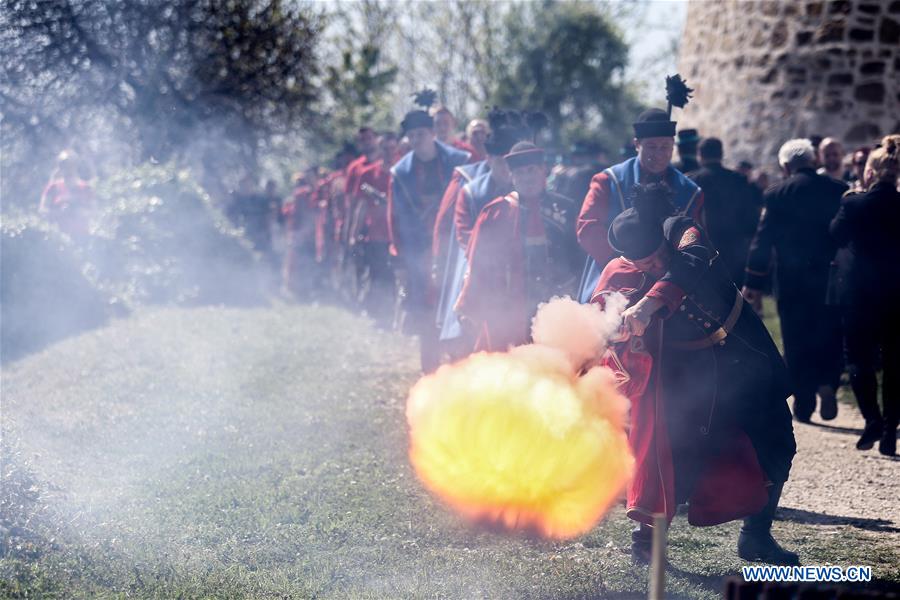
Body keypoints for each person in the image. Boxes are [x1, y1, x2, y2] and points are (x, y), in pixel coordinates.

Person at [592, 186, 798, 566]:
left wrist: (651, 301)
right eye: (643, 264)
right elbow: (603, 317)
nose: (652, 267)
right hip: (683, 376)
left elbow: (692, 258)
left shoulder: (682, 230)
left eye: (656, 258)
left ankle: (756, 537)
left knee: (777, 442)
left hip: (741, 353)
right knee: (669, 456)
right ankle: (647, 547)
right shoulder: (620, 272)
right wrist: (623, 334)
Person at [743, 139, 847, 422]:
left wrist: (753, 280)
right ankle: (828, 383)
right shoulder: (838, 190)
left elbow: (762, 241)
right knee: (829, 333)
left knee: (796, 338)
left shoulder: (777, 194)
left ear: (786, 166)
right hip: (829, 276)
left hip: (792, 280)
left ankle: (803, 402)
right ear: (814, 160)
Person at [454, 142, 583, 351]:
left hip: (558, 303)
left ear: (543, 171)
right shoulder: (495, 212)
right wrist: (472, 304)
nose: (527, 177)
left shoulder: (566, 209)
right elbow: (478, 263)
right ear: (511, 176)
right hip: (508, 306)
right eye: (520, 172)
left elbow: (579, 258)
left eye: (532, 170)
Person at [576, 108, 704, 304]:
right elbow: (587, 227)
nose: (659, 154)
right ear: (637, 144)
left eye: (665, 147)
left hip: (668, 281)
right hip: (613, 278)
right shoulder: (608, 181)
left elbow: (691, 239)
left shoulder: (690, 192)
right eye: (651, 147)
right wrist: (626, 263)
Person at [433, 109, 527, 355]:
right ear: (489, 159)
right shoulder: (471, 191)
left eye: (510, 163)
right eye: (499, 162)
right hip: (476, 267)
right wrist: (488, 263)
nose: (506, 170)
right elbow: (464, 235)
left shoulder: (527, 191)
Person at [829, 136, 900, 456]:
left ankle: (871, 418)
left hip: (858, 292)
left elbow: (836, 234)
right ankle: (889, 428)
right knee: (896, 362)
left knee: (858, 358)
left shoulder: (853, 203)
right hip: (896, 292)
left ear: (870, 172)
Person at [389, 96, 470, 372]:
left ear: (432, 133)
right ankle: (431, 376)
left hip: (455, 251)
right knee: (426, 318)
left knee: (460, 311)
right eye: (411, 135)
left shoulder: (460, 162)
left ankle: (461, 371)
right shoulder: (400, 172)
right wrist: (401, 258)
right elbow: (395, 218)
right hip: (419, 254)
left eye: (420, 134)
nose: (416, 140)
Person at [688, 138, 763, 284]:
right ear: (721, 154)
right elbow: (750, 215)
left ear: (700, 155)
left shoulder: (692, 180)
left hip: (704, 247)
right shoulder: (738, 180)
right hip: (735, 248)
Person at [348, 132, 397, 326]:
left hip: (398, 235)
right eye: (384, 148)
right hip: (376, 236)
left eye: (391, 148)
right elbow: (360, 206)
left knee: (397, 277)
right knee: (378, 275)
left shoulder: (403, 171)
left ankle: (397, 314)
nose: (387, 152)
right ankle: (380, 314)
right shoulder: (367, 174)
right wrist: (353, 233)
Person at [39, 149, 95, 240]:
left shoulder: (86, 188)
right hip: (58, 238)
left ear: (76, 166)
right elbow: (43, 210)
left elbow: (93, 211)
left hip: (82, 238)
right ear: (59, 166)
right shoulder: (53, 187)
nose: (68, 168)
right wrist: (59, 213)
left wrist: (79, 212)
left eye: (71, 165)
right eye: (64, 165)